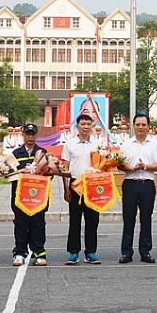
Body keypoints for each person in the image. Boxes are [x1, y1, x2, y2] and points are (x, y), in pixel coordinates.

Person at [118, 113, 157, 264]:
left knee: (146, 219)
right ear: (133, 126)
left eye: (144, 125)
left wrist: (144, 166)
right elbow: (119, 164)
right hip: (130, 184)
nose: (140, 127)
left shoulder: (154, 144)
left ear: (148, 127)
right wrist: (130, 168)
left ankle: (145, 251)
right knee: (128, 219)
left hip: (147, 185)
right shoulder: (126, 144)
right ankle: (126, 252)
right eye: (138, 124)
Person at [11, 123, 55, 267]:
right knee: (20, 224)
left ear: (36, 135)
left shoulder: (43, 153)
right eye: (27, 134)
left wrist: (43, 172)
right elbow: (9, 174)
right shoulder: (16, 154)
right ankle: (20, 252)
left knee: (38, 224)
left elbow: (51, 174)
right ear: (23, 135)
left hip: (38, 197)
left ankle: (39, 253)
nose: (30, 137)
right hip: (20, 196)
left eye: (32, 134)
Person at [61, 113, 101, 264]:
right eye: (83, 124)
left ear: (92, 127)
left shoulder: (97, 144)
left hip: (92, 186)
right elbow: (65, 167)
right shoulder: (70, 144)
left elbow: (102, 165)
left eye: (88, 124)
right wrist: (66, 189)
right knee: (75, 220)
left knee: (92, 220)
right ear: (77, 126)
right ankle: (73, 252)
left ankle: (91, 252)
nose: (85, 127)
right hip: (75, 185)